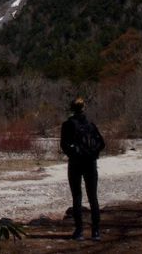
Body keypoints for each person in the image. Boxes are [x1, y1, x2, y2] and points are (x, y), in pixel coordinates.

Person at [60, 96, 105, 241]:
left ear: (71, 109)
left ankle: (79, 231)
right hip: (91, 163)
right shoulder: (91, 125)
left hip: (75, 164)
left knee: (77, 197)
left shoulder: (67, 125)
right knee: (93, 197)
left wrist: (75, 153)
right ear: (84, 108)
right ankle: (96, 232)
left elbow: (64, 145)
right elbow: (101, 143)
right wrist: (92, 154)